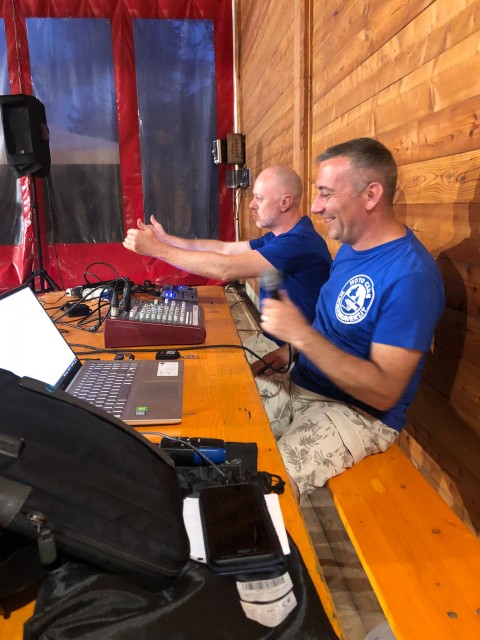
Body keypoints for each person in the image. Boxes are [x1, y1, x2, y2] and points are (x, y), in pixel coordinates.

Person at [252, 138, 445, 501]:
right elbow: (331, 326)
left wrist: (301, 336)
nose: (315, 206)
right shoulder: (350, 248)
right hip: (303, 380)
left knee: (265, 490)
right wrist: (289, 351)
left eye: (325, 193)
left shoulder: (411, 276)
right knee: (228, 426)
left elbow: (384, 391)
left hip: (358, 413)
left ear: (371, 195)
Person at [123, 165, 332, 354]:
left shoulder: (297, 242)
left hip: (295, 354)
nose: (252, 205)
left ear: (285, 202)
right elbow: (225, 249)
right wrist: (166, 240)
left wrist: (157, 249)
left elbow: (226, 269)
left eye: (259, 198)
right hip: (276, 343)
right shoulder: (279, 237)